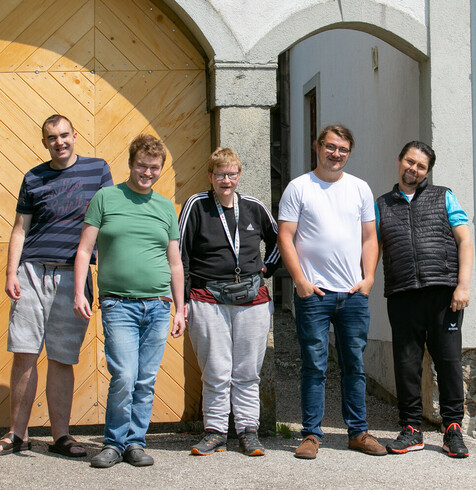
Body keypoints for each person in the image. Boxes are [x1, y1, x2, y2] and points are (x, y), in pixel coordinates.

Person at [0, 115, 113, 458]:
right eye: (52, 138)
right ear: (44, 142)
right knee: (25, 353)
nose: (59, 142)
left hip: (73, 275)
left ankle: (61, 436)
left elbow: (110, 221)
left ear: (75, 135)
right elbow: (20, 228)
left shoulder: (98, 170)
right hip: (31, 271)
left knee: (63, 358)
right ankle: (17, 434)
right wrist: (10, 273)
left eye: (64, 135)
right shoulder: (33, 177)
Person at [73, 134, 185, 468]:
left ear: (160, 169)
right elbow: (83, 250)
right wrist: (80, 291)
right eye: (142, 166)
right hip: (118, 304)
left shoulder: (165, 207)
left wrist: (180, 308)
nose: (147, 173)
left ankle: (135, 442)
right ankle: (113, 442)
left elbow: (175, 263)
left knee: (146, 378)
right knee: (124, 374)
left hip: (158, 305)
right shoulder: (106, 198)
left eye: (153, 168)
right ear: (131, 163)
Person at [277, 124, 385, 459]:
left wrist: (368, 280)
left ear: (348, 153)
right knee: (314, 365)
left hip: (352, 294)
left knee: (353, 364)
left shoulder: (360, 189)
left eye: (342, 149)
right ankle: (311, 435)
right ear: (318, 146)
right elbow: (285, 236)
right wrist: (299, 281)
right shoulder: (299, 188)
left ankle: (358, 432)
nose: (335, 154)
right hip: (315, 295)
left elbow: (370, 237)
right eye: (330, 147)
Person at [178, 147, 280, 457]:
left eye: (232, 173)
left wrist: (267, 268)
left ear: (239, 175)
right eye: (220, 174)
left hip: (252, 299)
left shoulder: (254, 206)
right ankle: (215, 431)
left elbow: (279, 240)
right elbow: (180, 253)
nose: (226, 179)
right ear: (210, 176)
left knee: (248, 370)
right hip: (207, 297)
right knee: (216, 370)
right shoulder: (196, 205)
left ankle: (248, 431)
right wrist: (181, 300)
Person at [375, 141, 473, 458]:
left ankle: (452, 429)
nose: (413, 169)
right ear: (399, 160)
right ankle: (411, 428)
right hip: (403, 294)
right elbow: (371, 248)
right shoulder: (382, 204)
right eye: (409, 161)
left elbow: (465, 240)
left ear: (427, 171)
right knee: (406, 365)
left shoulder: (443, 196)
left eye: (420, 166)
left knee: (448, 363)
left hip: (444, 293)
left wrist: (463, 286)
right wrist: (365, 281)